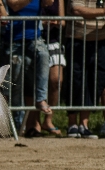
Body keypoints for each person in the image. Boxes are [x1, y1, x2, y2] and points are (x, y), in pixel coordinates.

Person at [3, 0, 52, 137]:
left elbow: (49, 3)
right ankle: (19, 125)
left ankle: (41, 98)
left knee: (44, 55)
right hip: (14, 41)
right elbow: (14, 4)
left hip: (34, 39)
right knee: (16, 83)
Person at [64, 0, 104, 139]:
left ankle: (84, 125)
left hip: (100, 41)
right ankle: (72, 124)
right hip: (77, 39)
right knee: (75, 80)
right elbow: (77, 9)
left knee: (95, 81)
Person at [41, 0, 65, 136]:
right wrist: (43, 22)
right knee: (35, 83)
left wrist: (55, 22)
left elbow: (63, 22)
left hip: (54, 42)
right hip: (37, 40)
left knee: (57, 81)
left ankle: (48, 120)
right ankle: (34, 123)